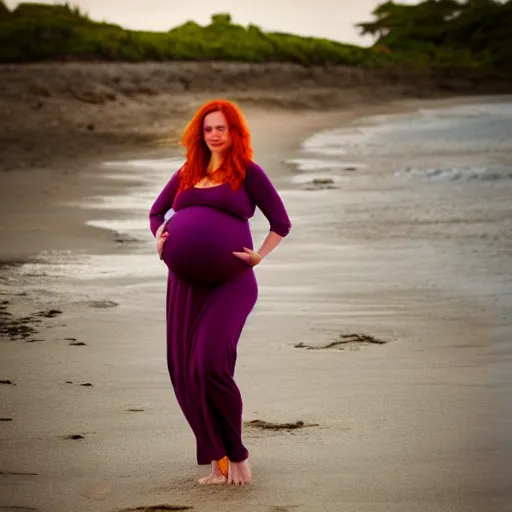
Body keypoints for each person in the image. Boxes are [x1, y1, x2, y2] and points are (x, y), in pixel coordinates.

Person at [149, 99, 291, 486]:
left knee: (210, 364)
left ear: (234, 134)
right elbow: (156, 212)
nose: (214, 135)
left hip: (232, 283)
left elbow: (281, 221)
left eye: (221, 129)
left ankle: (238, 455)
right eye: (208, 128)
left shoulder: (247, 172)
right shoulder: (187, 172)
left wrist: (259, 256)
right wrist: (160, 239)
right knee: (186, 370)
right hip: (184, 286)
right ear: (201, 134)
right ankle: (218, 459)